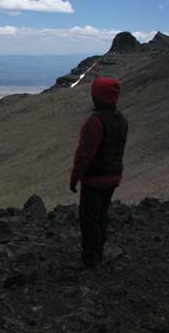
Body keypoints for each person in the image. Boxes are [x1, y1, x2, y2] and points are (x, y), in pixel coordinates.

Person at [70, 77, 128, 268]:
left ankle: (90, 259)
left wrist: (75, 178)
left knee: (89, 219)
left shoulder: (95, 122)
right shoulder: (121, 120)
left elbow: (85, 154)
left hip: (96, 179)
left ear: (98, 96)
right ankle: (99, 254)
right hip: (113, 176)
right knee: (101, 216)